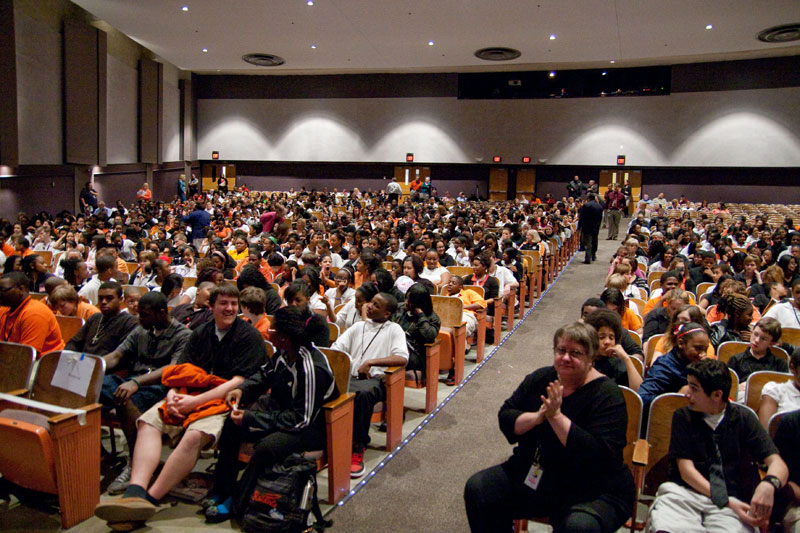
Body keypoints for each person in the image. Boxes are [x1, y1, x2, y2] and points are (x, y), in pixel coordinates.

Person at [94, 285, 266, 526]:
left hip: (223, 401)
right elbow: (180, 371)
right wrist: (173, 396)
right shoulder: (200, 333)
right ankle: (135, 490)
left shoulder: (249, 337)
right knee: (148, 422)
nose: (229, 308)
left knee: (194, 435)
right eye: (223, 303)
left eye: (233, 304)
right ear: (212, 306)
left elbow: (238, 382)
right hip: (187, 394)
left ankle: (149, 499)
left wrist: (193, 402)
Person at [464, 322, 634, 532]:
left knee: (578, 527)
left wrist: (556, 417)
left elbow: (598, 456)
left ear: (591, 357)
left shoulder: (608, 394)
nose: (565, 358)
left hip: (595, 488)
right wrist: (537, 417)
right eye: (561, 350)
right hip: (542, 475)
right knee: (479, 489)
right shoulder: (542, 378)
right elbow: (506, 417)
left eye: (575, 353)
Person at [202, 306, 338, 522]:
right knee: (232, 425)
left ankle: (238, 502)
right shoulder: (285, 353)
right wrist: (242, 390)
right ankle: (223, 489)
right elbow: (264, 375)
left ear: (285, 338)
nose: (268, 331)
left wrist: (251, 417)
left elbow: (301, 420)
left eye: (272, 330)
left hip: (312, 428)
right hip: (286, 415)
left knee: (267, 447)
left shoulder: (312, 367)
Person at [646, 358, 788, 533]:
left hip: (729, 501)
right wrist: (726, 500)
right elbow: (687, 471)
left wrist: (769, 484)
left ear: (717, 395)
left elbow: (778, 464)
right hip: (684, 493)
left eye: (694, 388)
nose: (687, 394)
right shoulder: (683, 416)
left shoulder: (744, 418)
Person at [99, 291, 193, 494]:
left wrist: (136, 382)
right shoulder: (142, 329)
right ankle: (97, 452)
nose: (139, 318)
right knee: (93, 386)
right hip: (133, 381)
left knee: (125, 398)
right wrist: (91, 366)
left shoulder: (183, 335)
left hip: (161, 387)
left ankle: (136, 463)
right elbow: (116, 356)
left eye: (144, 315)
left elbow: (171, 369)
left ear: (162, 313)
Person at [331, 292, 408, 478]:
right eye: (371, 302)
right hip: (352, 377)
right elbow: (336, 349)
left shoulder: (394, 329)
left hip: (377, 380)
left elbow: (402, 358)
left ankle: (358, 446)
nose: (370, 306)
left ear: (387, 313)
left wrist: (371, 362)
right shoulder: (358, 326)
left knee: (363, 394)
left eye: (376, 305)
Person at [638, 322, 710, 414]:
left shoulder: (702, 365)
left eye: (705, 350)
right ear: (681, 343)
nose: (702, 354)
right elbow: (643, 398)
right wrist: (676, 398)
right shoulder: (664, 366)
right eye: (697, 348)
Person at [65, 281, 138, 356]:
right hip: (84, 360)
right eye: (100, 298)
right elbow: (74, 342)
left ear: (120, 299)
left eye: (109, 298)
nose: (103, 302)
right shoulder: (95, 318)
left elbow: (120, 355)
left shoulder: (130, 322)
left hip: (106, 362)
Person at [0, 272, 64, 357]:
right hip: (13, 358)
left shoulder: (35, 313)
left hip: (44, 362)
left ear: (21, 289)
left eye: (2, 290)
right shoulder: (4, 309)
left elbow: (27, 356)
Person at [583, 309, 642, 390]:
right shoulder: (583, 362)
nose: (607, 342)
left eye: (611, 338)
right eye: (602, 337)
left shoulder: (618, 365)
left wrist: (626, 358)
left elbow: (639, 392)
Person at [393, 283, 440, 383]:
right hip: (394, 347)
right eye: (406, 298)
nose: (406, 302)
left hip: (414, 354)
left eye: (410, 301)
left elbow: (429, 336)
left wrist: (421, 316)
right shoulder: (399, 309)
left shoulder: (432, 318)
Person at [578, 193, 603, 263]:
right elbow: (600, 218)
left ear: (588, 198)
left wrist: (579, 226)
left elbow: (582, 217)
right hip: (596, 226)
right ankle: (593, 255)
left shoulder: (586, 205)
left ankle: (588, 258)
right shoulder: (599, 206)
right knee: (595, 241)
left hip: (587, 226)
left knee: (588, 242)